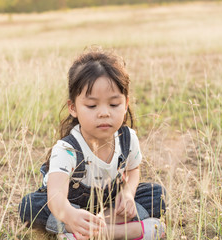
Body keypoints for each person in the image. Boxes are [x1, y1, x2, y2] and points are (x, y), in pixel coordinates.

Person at [19, 48, 166, 240]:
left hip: (111, 206)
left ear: (126, 104)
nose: (104, 113)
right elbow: (55, 196)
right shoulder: (68, 150)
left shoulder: (127, 138)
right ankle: (129, 231)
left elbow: (133, 170)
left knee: (156, 195)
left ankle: (87, 233)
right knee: (31, 206)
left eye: (113, 105)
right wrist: (70, 216)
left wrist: (128, 194)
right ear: (73, 108)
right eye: (92, 106)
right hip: (71, 206)